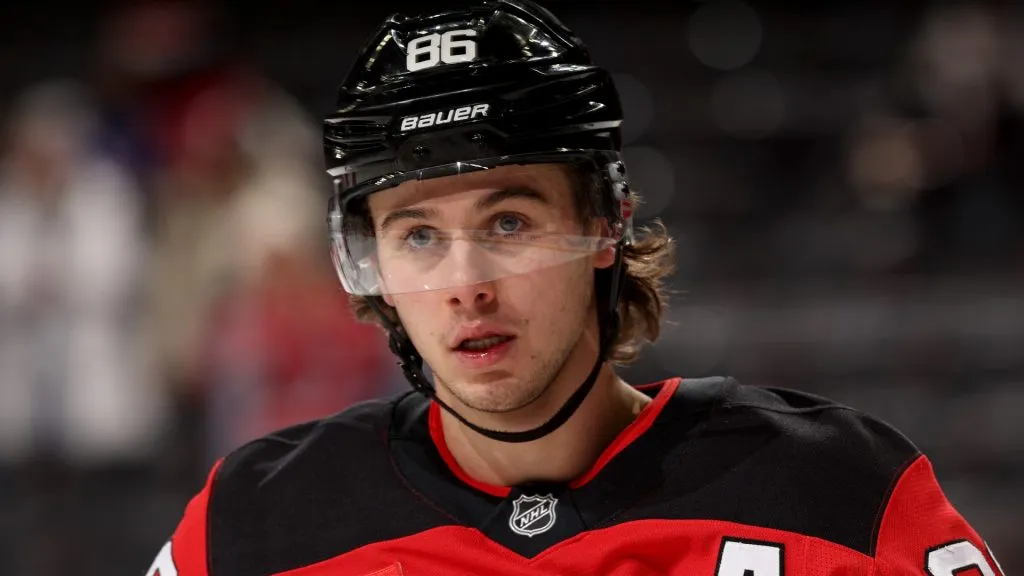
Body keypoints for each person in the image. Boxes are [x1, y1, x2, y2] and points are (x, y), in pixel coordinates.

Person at [146, 1, 1006, 574]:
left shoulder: (842, 495)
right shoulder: (251, 524)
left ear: (607, 224)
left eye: (509, 223)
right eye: (417, 236)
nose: (465, 284)